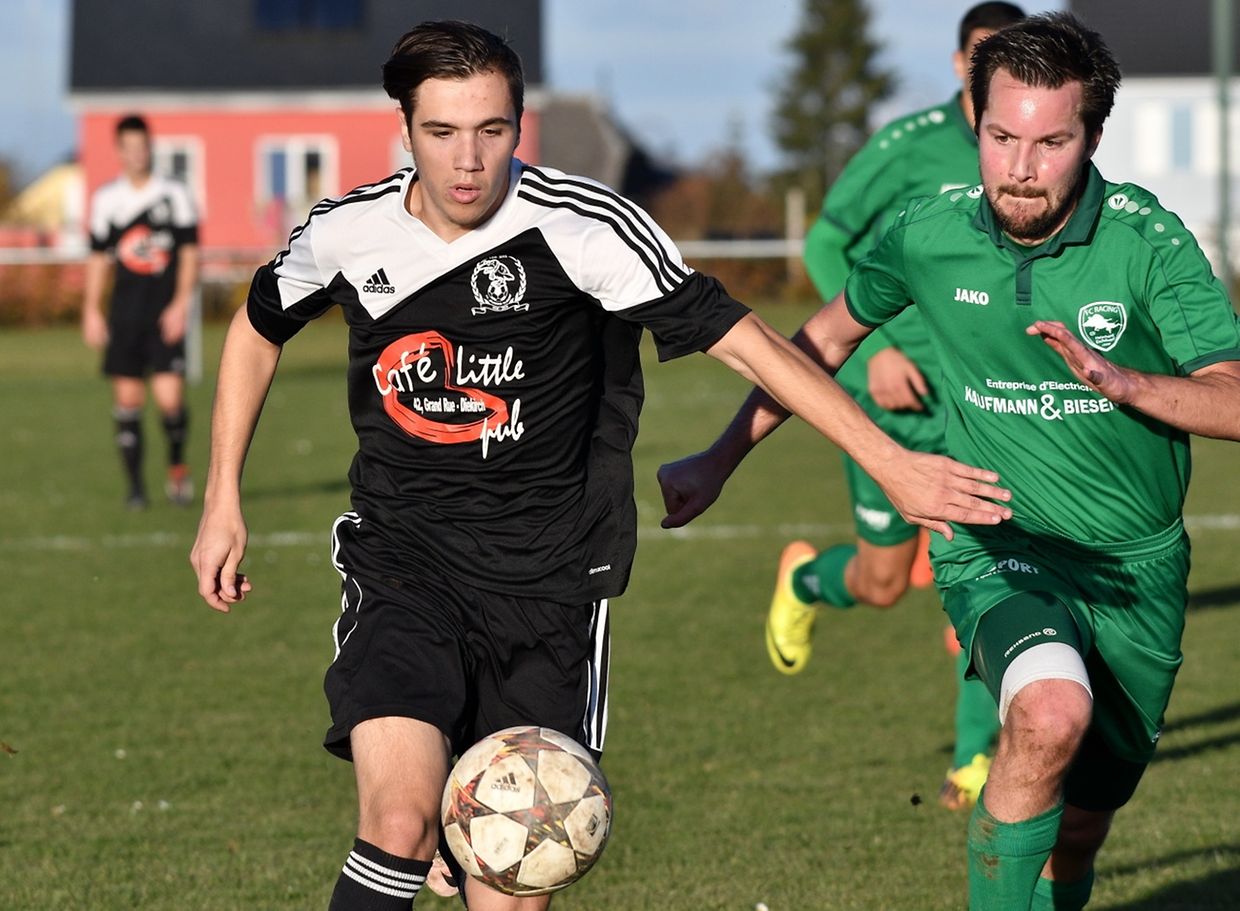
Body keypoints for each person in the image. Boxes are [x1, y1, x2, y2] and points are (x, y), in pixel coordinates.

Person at [189, 19, 1011, 911]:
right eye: (441, 133)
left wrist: (884, 461)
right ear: (405, 128)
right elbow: (257, 324)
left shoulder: (586, 230)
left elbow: (755, 346)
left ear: (520, 122)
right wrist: (220, 496)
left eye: (492, 131)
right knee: (400, 820)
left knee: (512, 879)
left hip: (549, 588)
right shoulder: (351, 231)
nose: (468, 161)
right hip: (405, 565)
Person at [658, 12, 1240, 910]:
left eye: (1051, 142)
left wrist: (1128, 385)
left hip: (1136, 567)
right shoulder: (924, 230)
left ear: (1091, 137)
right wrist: (721, 453)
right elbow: (821, 339)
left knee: (1081, 827)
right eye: (1002, 136)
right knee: (1048, 716)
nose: (1020, 166)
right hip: (997, 538)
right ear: (974, 119)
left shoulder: (1147, 243)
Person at [771, 1, 1024, 811]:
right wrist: (873, 350)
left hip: (984, 402)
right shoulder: (909, 147)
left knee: (985, 576)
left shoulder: (1037, 154)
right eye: (984, 60)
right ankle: (810, 581)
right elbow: (824, 242)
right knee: (882, 582)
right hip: (888, 404)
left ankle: (973, 756)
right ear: (959, 67)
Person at [82, 114, 200, 510]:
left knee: (170, 402)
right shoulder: (106, 201)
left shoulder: (173, 195)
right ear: (118, 151)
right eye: (128, 147)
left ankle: (177, 469)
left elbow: (188, 253)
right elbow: (98, 259)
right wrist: (91, 310)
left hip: (163, 315)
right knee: (128, 402)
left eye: (142, 145)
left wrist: (181, 303)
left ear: (151, 147)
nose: (136, 154)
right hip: (124, 317)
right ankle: (135, 489)